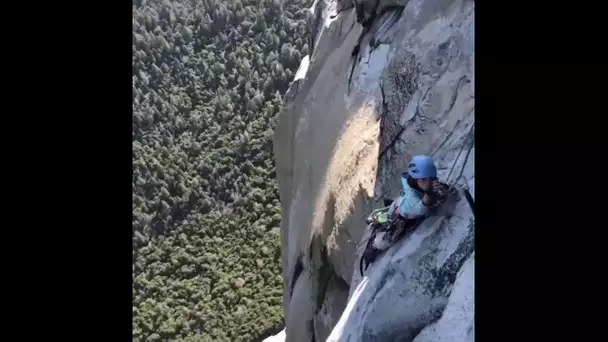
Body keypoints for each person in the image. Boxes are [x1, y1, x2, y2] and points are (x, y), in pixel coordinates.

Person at [372, 155, 443, 251]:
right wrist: (429, 192)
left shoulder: (417, 183)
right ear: (415, 179)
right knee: (382, 243)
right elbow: (421, 208)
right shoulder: (411, 201)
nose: (429, 182)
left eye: (431, 178)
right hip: (399, 216)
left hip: (400, 203)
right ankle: (373, 246)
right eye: (424, 179)